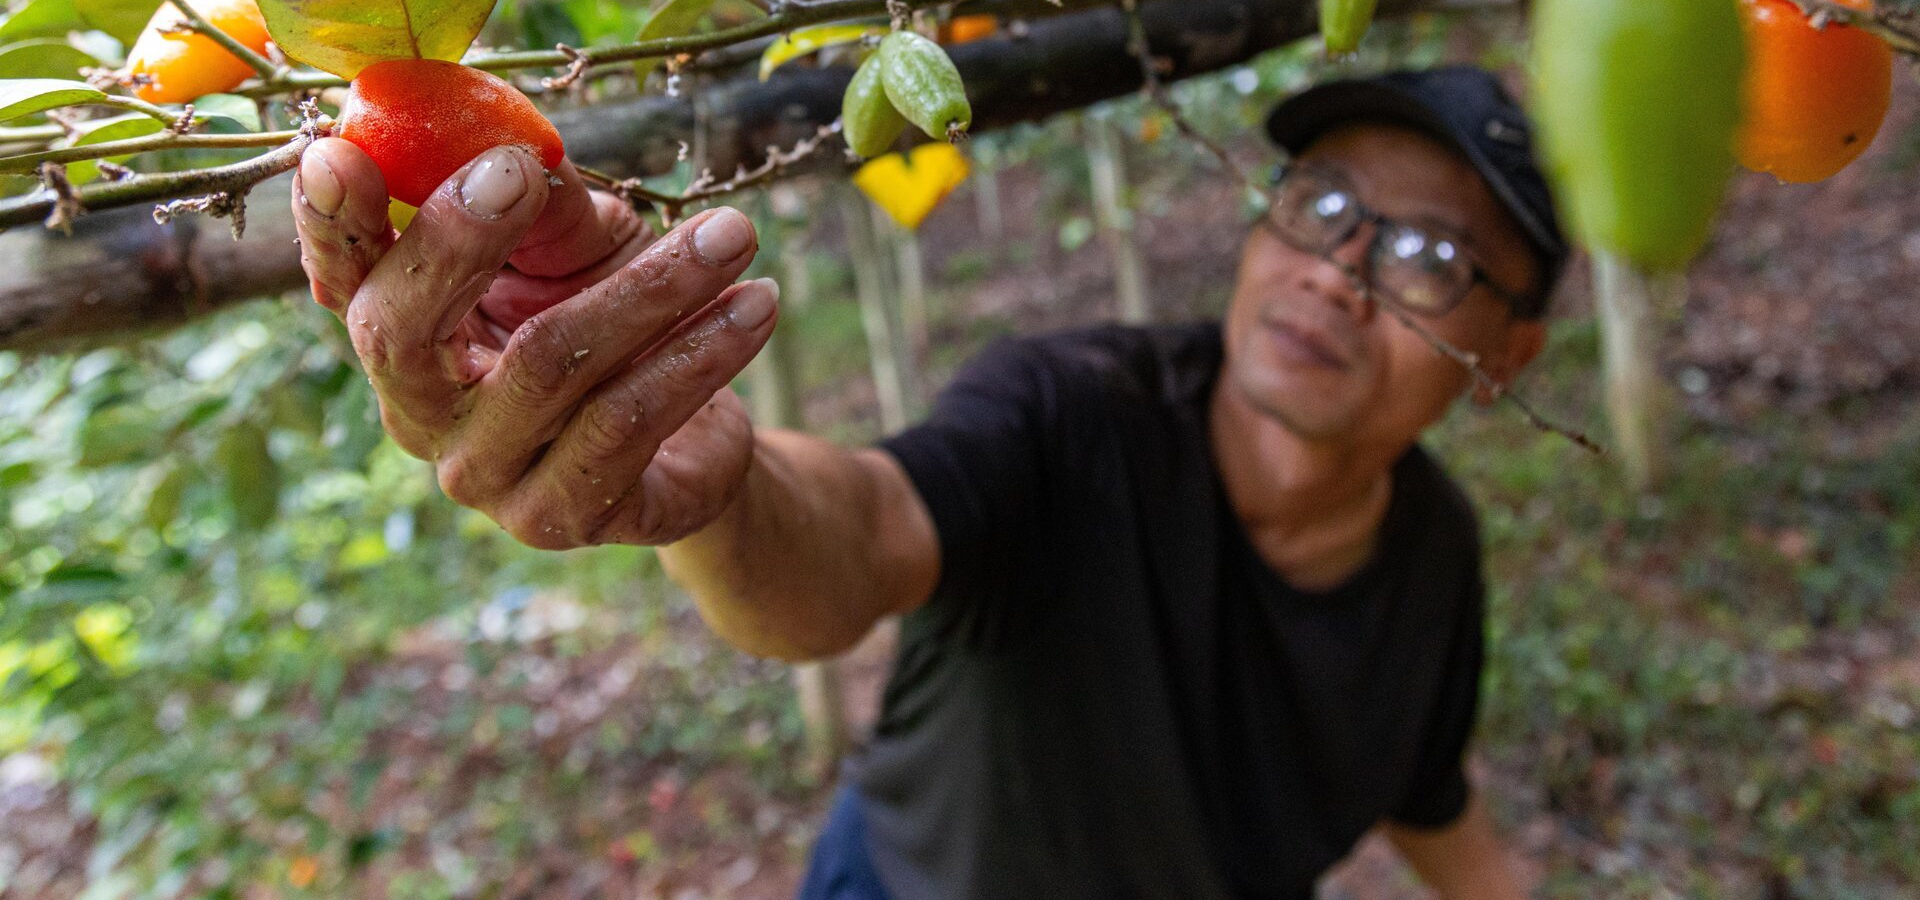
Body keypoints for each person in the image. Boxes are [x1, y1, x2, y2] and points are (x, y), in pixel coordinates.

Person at [291, 64, 1565, 900]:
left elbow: (1422, 788)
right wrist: (717, 488)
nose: (1338, 271)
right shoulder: (1074, 411)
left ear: (1508, 354)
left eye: (1425, 253)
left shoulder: (1435, 547)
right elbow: (856, 542)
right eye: (1319, 203)